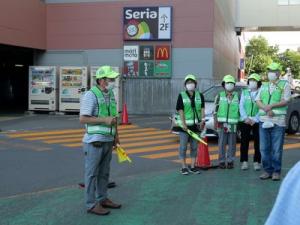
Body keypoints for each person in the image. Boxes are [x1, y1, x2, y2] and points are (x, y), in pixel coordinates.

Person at [79, 65, 121, 216]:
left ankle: (102, 198)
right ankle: (91, 204)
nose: (113, 81)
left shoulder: (110, 94)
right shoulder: (91, 95)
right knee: (91, 174)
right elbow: (83, 118)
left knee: (104, 173)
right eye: (110, 79)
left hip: (108, 140)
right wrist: (104, 120)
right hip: (94, 141)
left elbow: (114, 118)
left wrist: (116, 136)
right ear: (102, 80)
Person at [255, 62, 291, 181]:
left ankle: (276, 171)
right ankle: (267, 170)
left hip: (278, 121)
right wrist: (265, 108)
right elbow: (258, 100)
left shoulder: (284, 84)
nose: (270, 73)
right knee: (264, 148)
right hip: (263, 120)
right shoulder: (264, 85)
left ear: (278, 73)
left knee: (276, 149)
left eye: (273, 71)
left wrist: (271, 107)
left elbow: (286, 100)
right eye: (269, 70)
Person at [175, 74, 205, 175]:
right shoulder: (181, 95)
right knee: (183, 147)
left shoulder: (200, 95)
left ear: (195, 84)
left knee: (194, 147)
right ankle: (183, 167)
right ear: (185, 85)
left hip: (196, 126)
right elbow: (180, 110)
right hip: (185, 127)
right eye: (188, 82)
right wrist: (183, 124)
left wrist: (202, 121)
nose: (190, 84)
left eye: (192, 82)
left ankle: (192, 166)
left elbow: (202, 109)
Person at [214, 75, 239, 169]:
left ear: (234, 85)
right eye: (227, 83)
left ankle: (230, 161)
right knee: (222, 143)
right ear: (224, 85)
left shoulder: (237, 96)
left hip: (233, 123)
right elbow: (215, 110)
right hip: (221, 123)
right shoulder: (219, 96)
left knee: (232, 143)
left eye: (231, 83)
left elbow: (240, 110)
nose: (229, 85)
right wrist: (215, 122)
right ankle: (221, 161)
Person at [239, 73, 262, 171]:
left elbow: (262, 107)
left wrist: (255, 119)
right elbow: (241, 106)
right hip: (245, 120)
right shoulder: (244, 92)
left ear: (258, 83)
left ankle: (257, 162)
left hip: (257, 121)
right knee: (244, 142)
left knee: (258, 142)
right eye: (251, 80)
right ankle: (244, 162)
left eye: (254, 80)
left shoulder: (261, 92)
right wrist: (245, 118)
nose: (252, 82)